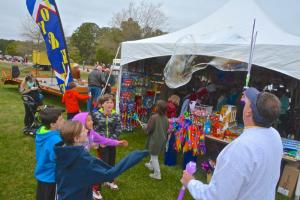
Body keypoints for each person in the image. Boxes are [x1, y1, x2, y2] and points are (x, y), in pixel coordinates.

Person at [181, 87, 283, 200]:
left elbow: (216, 197)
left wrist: (190, 182)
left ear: (249, 112)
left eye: (246, 103)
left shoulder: (241, 148)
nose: (243, 104)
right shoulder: (275, 136)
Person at [54, 121, 148, 200]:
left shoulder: (62, 152)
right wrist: (135, 155)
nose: (87, 130)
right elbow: (109, 174)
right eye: (83, 130)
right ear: (76, 138)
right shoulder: (82, 160)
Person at [72, 112, 128, 200]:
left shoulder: (91, 133)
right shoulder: (75, 138)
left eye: (91, 120)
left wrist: (118, 142)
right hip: (76, 165)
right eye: (88, 120)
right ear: (80, 124)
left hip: (85, 161)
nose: (92, 122)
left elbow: (103, 140)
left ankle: (93, 189)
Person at [91, 94, 122, 190]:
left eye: (111, 102)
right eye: (107, 102)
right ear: (101, 104)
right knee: (102, 164)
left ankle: (110, 181)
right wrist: (97, 141)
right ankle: (96, 188)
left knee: (111, 162)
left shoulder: (116, 115)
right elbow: (92, 129)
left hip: (111, 143)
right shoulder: (96, 115)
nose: (110, 104)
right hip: (101, 145)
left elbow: (118, 129)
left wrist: (110, 141)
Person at [35, 106, 65, 200]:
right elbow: (60, 160)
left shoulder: (42, 131)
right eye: (60, 119)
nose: (64, 120)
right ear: (52, 124)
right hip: (52, 177)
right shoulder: (56, 141)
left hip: (43, 173)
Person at [144, 100, 169, 180]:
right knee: (154, 154)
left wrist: (144, 127)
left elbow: (148, 129)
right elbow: (166, 129)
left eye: (156, 106)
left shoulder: (154, 117)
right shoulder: (166, 119)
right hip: (162, 139)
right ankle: (151, 165)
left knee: (154, 156)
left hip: (155, 140)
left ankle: (157, 174)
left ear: (157, 108)